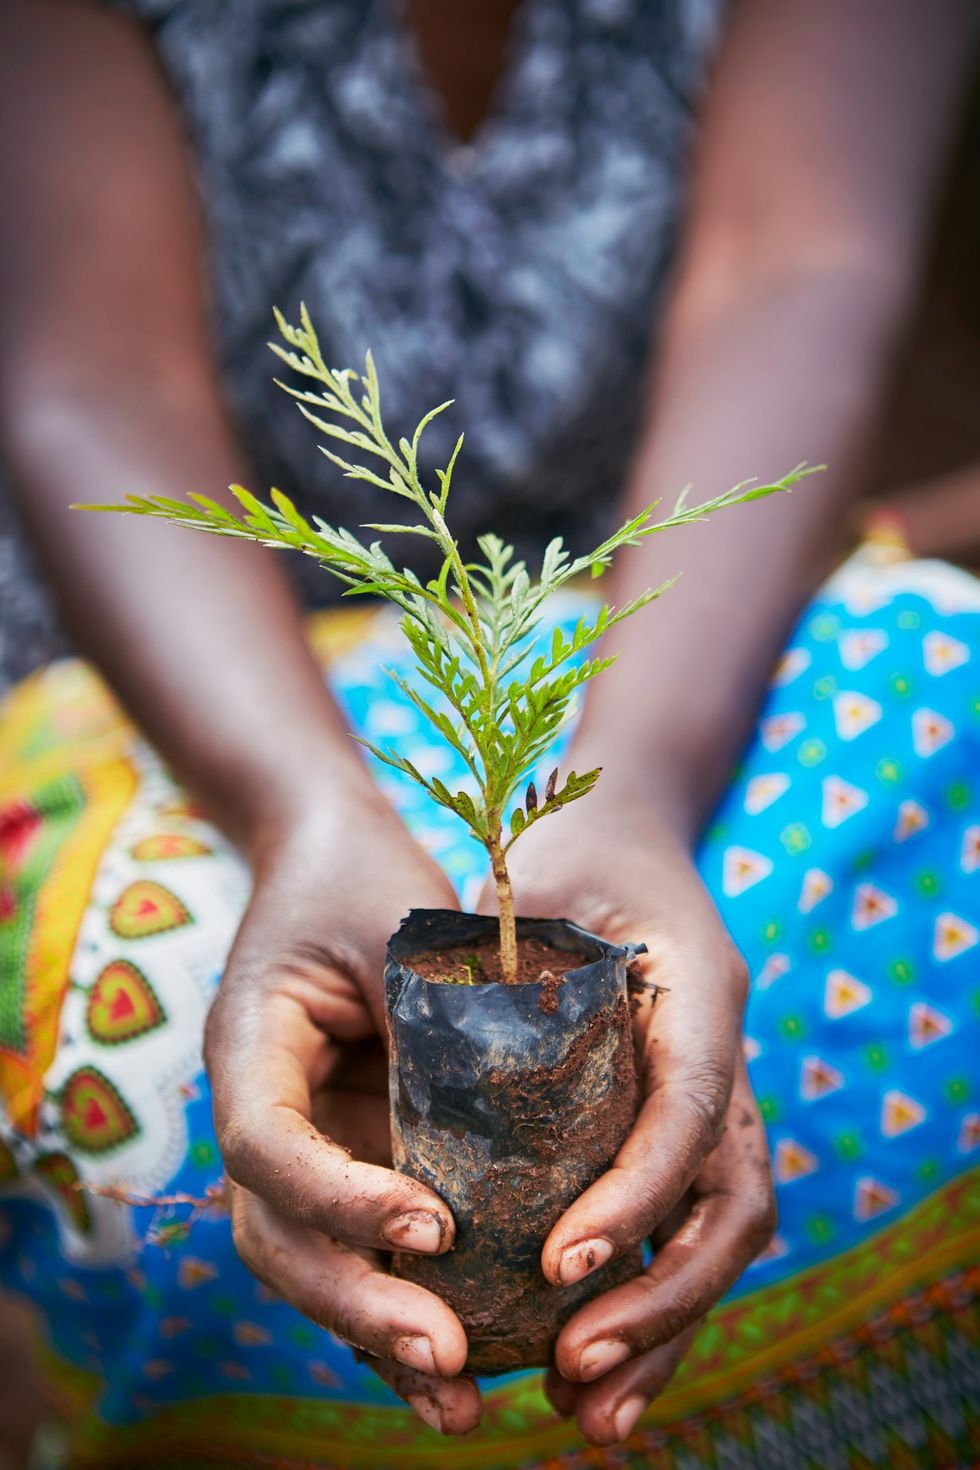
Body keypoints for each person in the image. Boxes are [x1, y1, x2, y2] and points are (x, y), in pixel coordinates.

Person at [0, 1, 977, 1465]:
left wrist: (637, 785)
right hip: (199, 663)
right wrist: (306, 814)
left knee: (938, 729)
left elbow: (802, 263)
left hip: (657, 624)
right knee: (142, 1036)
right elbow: (91, 373)